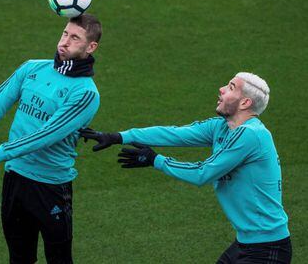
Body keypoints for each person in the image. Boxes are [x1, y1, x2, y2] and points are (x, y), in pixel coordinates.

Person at [80, 72, 292, 263]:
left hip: (267, 248)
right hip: (246, 242)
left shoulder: (251, 135)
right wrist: (118, 137)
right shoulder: (221, 127)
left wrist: (156, 160)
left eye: (231, 87)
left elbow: (203, 173)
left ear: (245, 102)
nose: (221, 89)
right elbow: (173, 134)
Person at [0, 14, 102, 264]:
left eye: (74, 38)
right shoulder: (32, 68)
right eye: (64, 33)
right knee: (18, 259)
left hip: (51, 188)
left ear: (91, 47)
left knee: (59, 260)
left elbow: (47, 134)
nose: (64, 42)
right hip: (15, 181)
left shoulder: (86, 94)